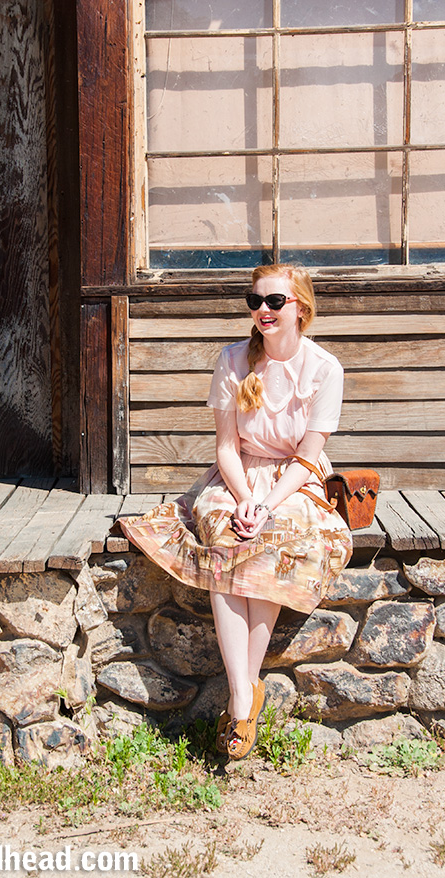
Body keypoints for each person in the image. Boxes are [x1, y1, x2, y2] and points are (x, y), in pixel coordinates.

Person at [119, 264, 353, 760]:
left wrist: (267, 505)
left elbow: (308, 456)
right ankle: (245, 691)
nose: (262, 311)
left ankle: (240, 694)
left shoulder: (325, 369)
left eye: (274, 302)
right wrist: (246, 497)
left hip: (295, 480)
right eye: (255, 302)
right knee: (226, 538)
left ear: (301, 309)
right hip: (237, 474)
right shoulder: (232, 360)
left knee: (273, 545)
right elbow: (226, 446)